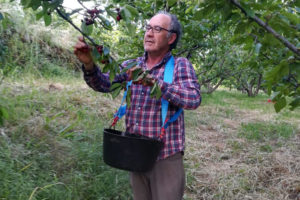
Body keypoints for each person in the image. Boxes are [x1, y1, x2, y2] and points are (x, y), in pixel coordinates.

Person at [74, 11, 201, 200]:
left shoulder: (180, 65)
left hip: (165, 156)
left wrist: (155, 84)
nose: (149, 33)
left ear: (171, 38)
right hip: (135, 153)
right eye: (148, 28)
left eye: (157, 29)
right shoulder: (132, 65)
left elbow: (193, 99)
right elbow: (104, 84)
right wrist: (90, 66)